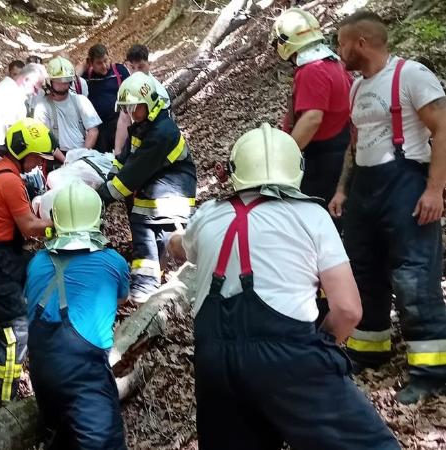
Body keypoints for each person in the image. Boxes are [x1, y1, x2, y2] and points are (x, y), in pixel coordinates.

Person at [168, 123, 401, 450]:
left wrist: (173, 240)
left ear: (235, 171)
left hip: (214, 361)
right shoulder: (311, 216)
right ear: (296, 170)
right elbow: (348, 309)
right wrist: (324, 344)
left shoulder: (208, 214)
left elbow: (180, 247)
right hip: (289, 358)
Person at [329, 10, 446, 404]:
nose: (339, 51)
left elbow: (442, 128)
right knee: (364, 270)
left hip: (407, 185)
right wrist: (344, 189)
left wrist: (434, 191)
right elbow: (356, 142)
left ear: (360, 42)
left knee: (413, 278)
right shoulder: (355, 88)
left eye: (342, 43)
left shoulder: (410, 75)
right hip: (365, 190)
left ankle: (431, 371)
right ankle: (369, 351)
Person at [25, 182, 129, 449]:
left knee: (63, 435)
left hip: (41, 371)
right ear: (96, 220)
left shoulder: (36, 262)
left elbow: (29, 299)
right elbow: (122, 299)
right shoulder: (113, 262)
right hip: (84, 375)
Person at [0, 118, 55, 407]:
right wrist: (56, 226)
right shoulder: (8, 180)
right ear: (22, 151)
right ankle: (4, 395)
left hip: (1, 252)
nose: (37, 164)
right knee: (15, 327)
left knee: (40, 273)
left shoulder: (1, 170)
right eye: (36, 157)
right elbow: (30, 227)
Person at [97, 72, 196, 303]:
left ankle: (146, 286)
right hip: (161, 190)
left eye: (134, 107)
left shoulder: (161, 132)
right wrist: (111, 177)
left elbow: (132, 175)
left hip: (171, 194)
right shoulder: (144, 126)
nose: (131, 113)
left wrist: (101, 196)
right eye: (127, 108)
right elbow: (124, 159)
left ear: (149, 103)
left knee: (145, 228)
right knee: (150, 233)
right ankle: (152, 279)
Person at [272, 7, 352, 218]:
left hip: (323, 161)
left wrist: (287, 156)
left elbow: (312, 118)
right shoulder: (333, 63)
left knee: (316, 219)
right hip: (336, 154)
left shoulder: (312, 70)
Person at [34, 57, 102, 161]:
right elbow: (45, 138)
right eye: (59, 81)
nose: (63, 85)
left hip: (81, 152)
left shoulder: (81, 101)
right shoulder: (42, 107)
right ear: (50, 81)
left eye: (66, 81)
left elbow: (93, 130)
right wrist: (65, 161)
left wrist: (83, 154)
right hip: (57, 156)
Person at [82, 43, 131, 154]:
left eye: (106, 61)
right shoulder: (86, 77)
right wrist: (83, 67)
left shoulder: (120, 71)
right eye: (99, 63)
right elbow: (72, 82)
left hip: (119, 123)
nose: (104, 66)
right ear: (91, 63)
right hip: (97, 128)